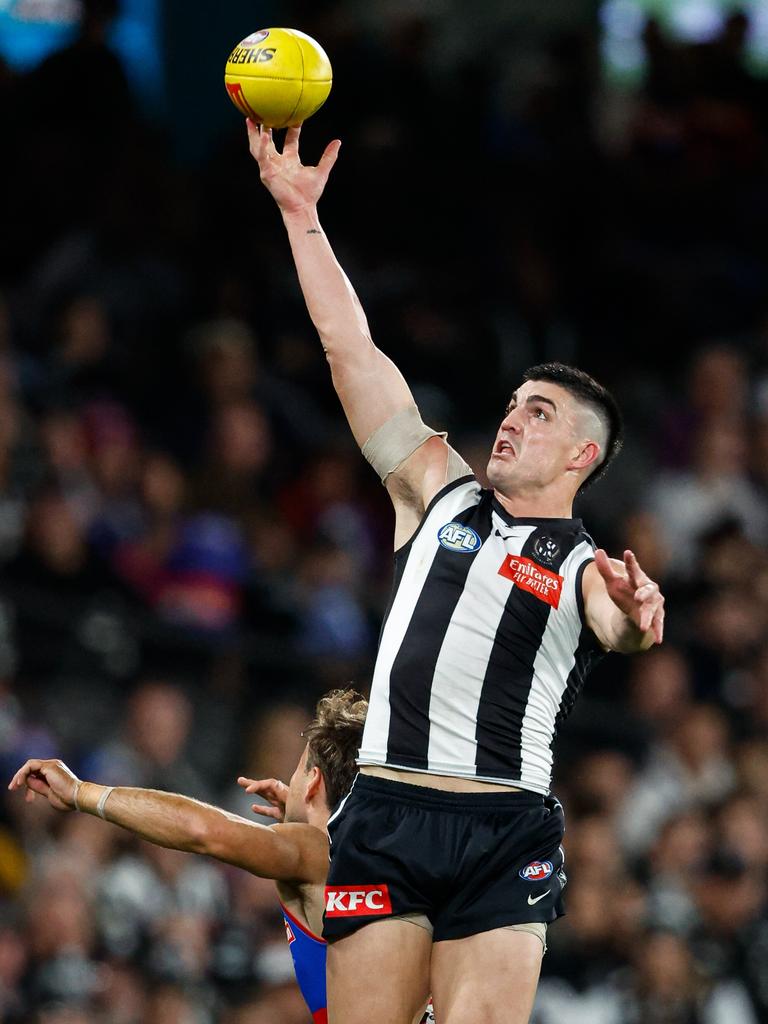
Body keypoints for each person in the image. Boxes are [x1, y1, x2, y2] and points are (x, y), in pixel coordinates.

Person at [247, 119, 666, 1024]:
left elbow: (614, 624)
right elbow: (350, 353)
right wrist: (298, 216)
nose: (512, 419)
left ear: (581, 455)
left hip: (505, 829)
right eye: (514, 403)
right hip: (387, 810)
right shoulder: (436, 492)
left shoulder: (585, 562)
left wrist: (638, 613)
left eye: (540, 413)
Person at [9, 689, 423, 1024]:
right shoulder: (403, 855)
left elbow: (203, 831)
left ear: (314, 782)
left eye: (297, 772)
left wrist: (83, 792)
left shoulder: (313, 850)